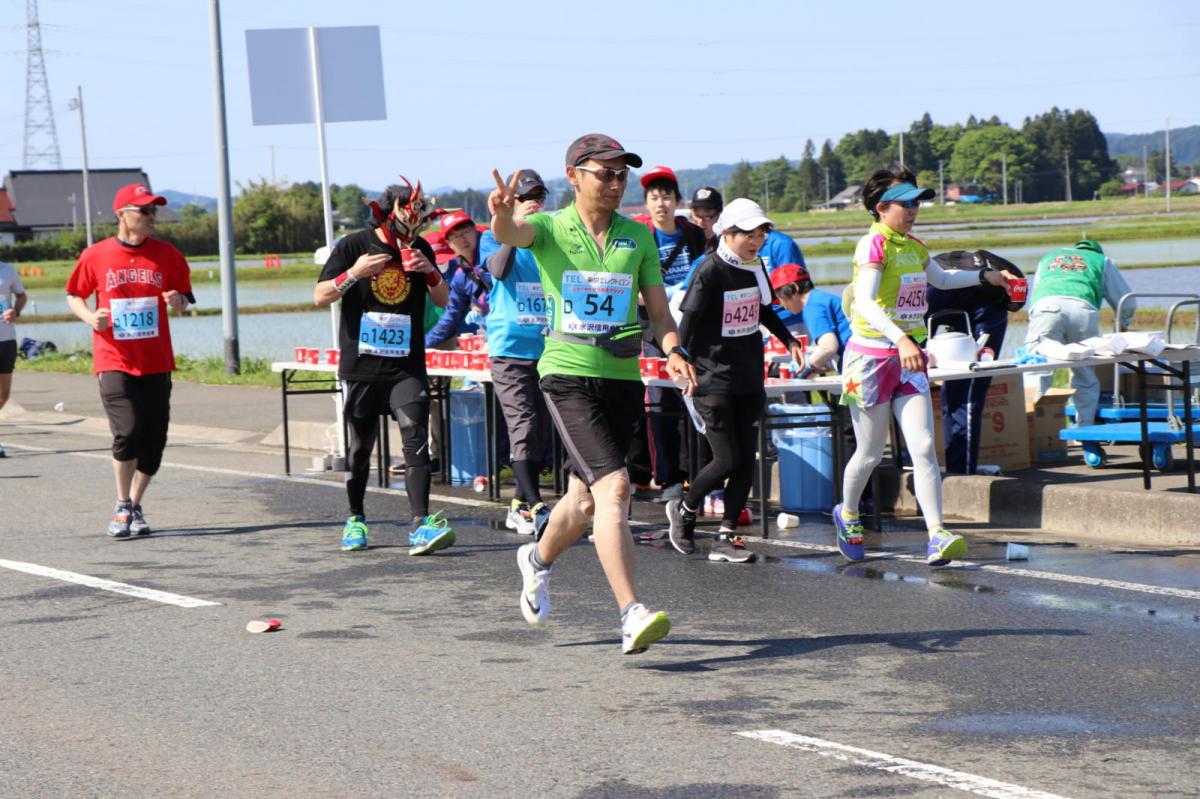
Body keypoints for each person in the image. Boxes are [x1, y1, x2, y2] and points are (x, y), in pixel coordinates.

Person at [489, 132, 696, 655]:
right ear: (573, 176)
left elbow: (658, 311)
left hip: (622, 378)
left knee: (583, 501)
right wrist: (501, 216)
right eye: (604, 172)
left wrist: (673, 350)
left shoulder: (637, 236)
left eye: (621, 173)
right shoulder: (550, 227)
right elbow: (511, 232)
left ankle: (536, 559)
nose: (615, 182)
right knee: (616, 489)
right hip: (567, 373)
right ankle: (631, 611)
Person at [834, 167, 1013, 566]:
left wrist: (986, 277)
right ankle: (848, 513)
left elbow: (943, 280)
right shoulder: (873, 245)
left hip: (909, 359)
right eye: (906, 204)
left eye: (917, 203)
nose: (914, 210)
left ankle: (936, 534)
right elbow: (864, 302)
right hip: (870, 359)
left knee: (925, 446)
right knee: (869, 453)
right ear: (881, 208)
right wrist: (900, 339)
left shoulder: (914, 246)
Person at [313, 182, 455, 556]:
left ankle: (420, 524)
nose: (411, 225)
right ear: (388, 213)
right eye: (406, 214)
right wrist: (354, 273)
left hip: (406, 367)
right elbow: (320, 295)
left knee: (415, 438)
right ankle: (355, 518)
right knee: (360, 448)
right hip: (361, 367)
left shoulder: (419, 248)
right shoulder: (353, 246)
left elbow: (443, 299)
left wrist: (429, 271)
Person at [666, 199, 805, 561]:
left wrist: (788, 340)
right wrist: (680, 358)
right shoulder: (709, 270)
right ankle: (685, 510)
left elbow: (764, 310)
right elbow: (688, 321)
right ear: (727, 233)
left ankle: (726, 536)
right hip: (711, 377)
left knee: (746, 460)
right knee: (726, 459)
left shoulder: (755, 267)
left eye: (760, 234)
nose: (756, 241)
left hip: (748, 374)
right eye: (748, 234)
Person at [65, 184, 194, 537]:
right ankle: (121, 504)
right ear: (122, 214)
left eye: (155, 211)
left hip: (156, 361)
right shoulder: (96, 255)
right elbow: (74, 294)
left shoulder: (167, 254)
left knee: (154, 442)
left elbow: (184, 299)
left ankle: (135, 505)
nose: (152, 217)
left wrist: (177, 302)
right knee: (128, 431)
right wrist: (90, 317)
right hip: (114, 359)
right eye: (145, 211)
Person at [480, 169, 554, 538]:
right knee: (523, 425)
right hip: (509, 348)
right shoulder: (490, 237)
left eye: (539, 197)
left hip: (549, 347)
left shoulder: (549, 238)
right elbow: (497, 269)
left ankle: (518, 505)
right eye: (526, 198)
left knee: (541, 431)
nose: (534, 203)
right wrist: (509, 227)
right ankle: (538, 507)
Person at [629, 165, 707, 505]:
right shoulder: (639, 236)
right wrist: (663, 297)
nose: (661, 204)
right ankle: (669, 478)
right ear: (646, 203)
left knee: (697, 397)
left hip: (692, 328)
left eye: (666, 197)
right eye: (654, 197)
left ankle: (700, 474)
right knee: (659, 403)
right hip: (655, 329)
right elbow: (631, 287)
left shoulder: (693, 235)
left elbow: (706, 274)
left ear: (677, 201)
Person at [928, 250, 1025, 473]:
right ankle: (955, 468)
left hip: (980, 304)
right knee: (960, 389)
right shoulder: (919, 289)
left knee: (967, 388)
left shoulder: (989, 301)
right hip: (948, 296)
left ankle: (962, 472)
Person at [1024, 239, 1134, 427]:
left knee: (1037, 367)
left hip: (1046, 308)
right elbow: (1127, 301)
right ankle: (1084, 428)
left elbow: (1037, 290)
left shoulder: (1050, 256)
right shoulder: (1102, 261)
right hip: (1082, 311)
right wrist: (1123, 324)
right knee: (1084, 372)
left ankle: (1033, 427)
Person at [770, 262, 851, 373]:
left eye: (780, 298)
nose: (781, 305)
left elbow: (828, 347)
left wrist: (807, 364)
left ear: (794, 288)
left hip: (857, 361)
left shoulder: (811, 305)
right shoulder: (821, 298)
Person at [425, 210, 489, 350]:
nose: (462, 239)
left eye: (466, 232)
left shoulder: (491, 257)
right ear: (450, 244)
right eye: (455, 236)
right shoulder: (462, 276)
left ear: (475, 231)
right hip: (493, 338)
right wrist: (422, 346)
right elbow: (450, 316)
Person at [0, 259, 29, 458]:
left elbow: (21, 296)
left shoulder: (8, 270)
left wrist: (15, 311)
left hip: (6, 339)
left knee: (4, 395)